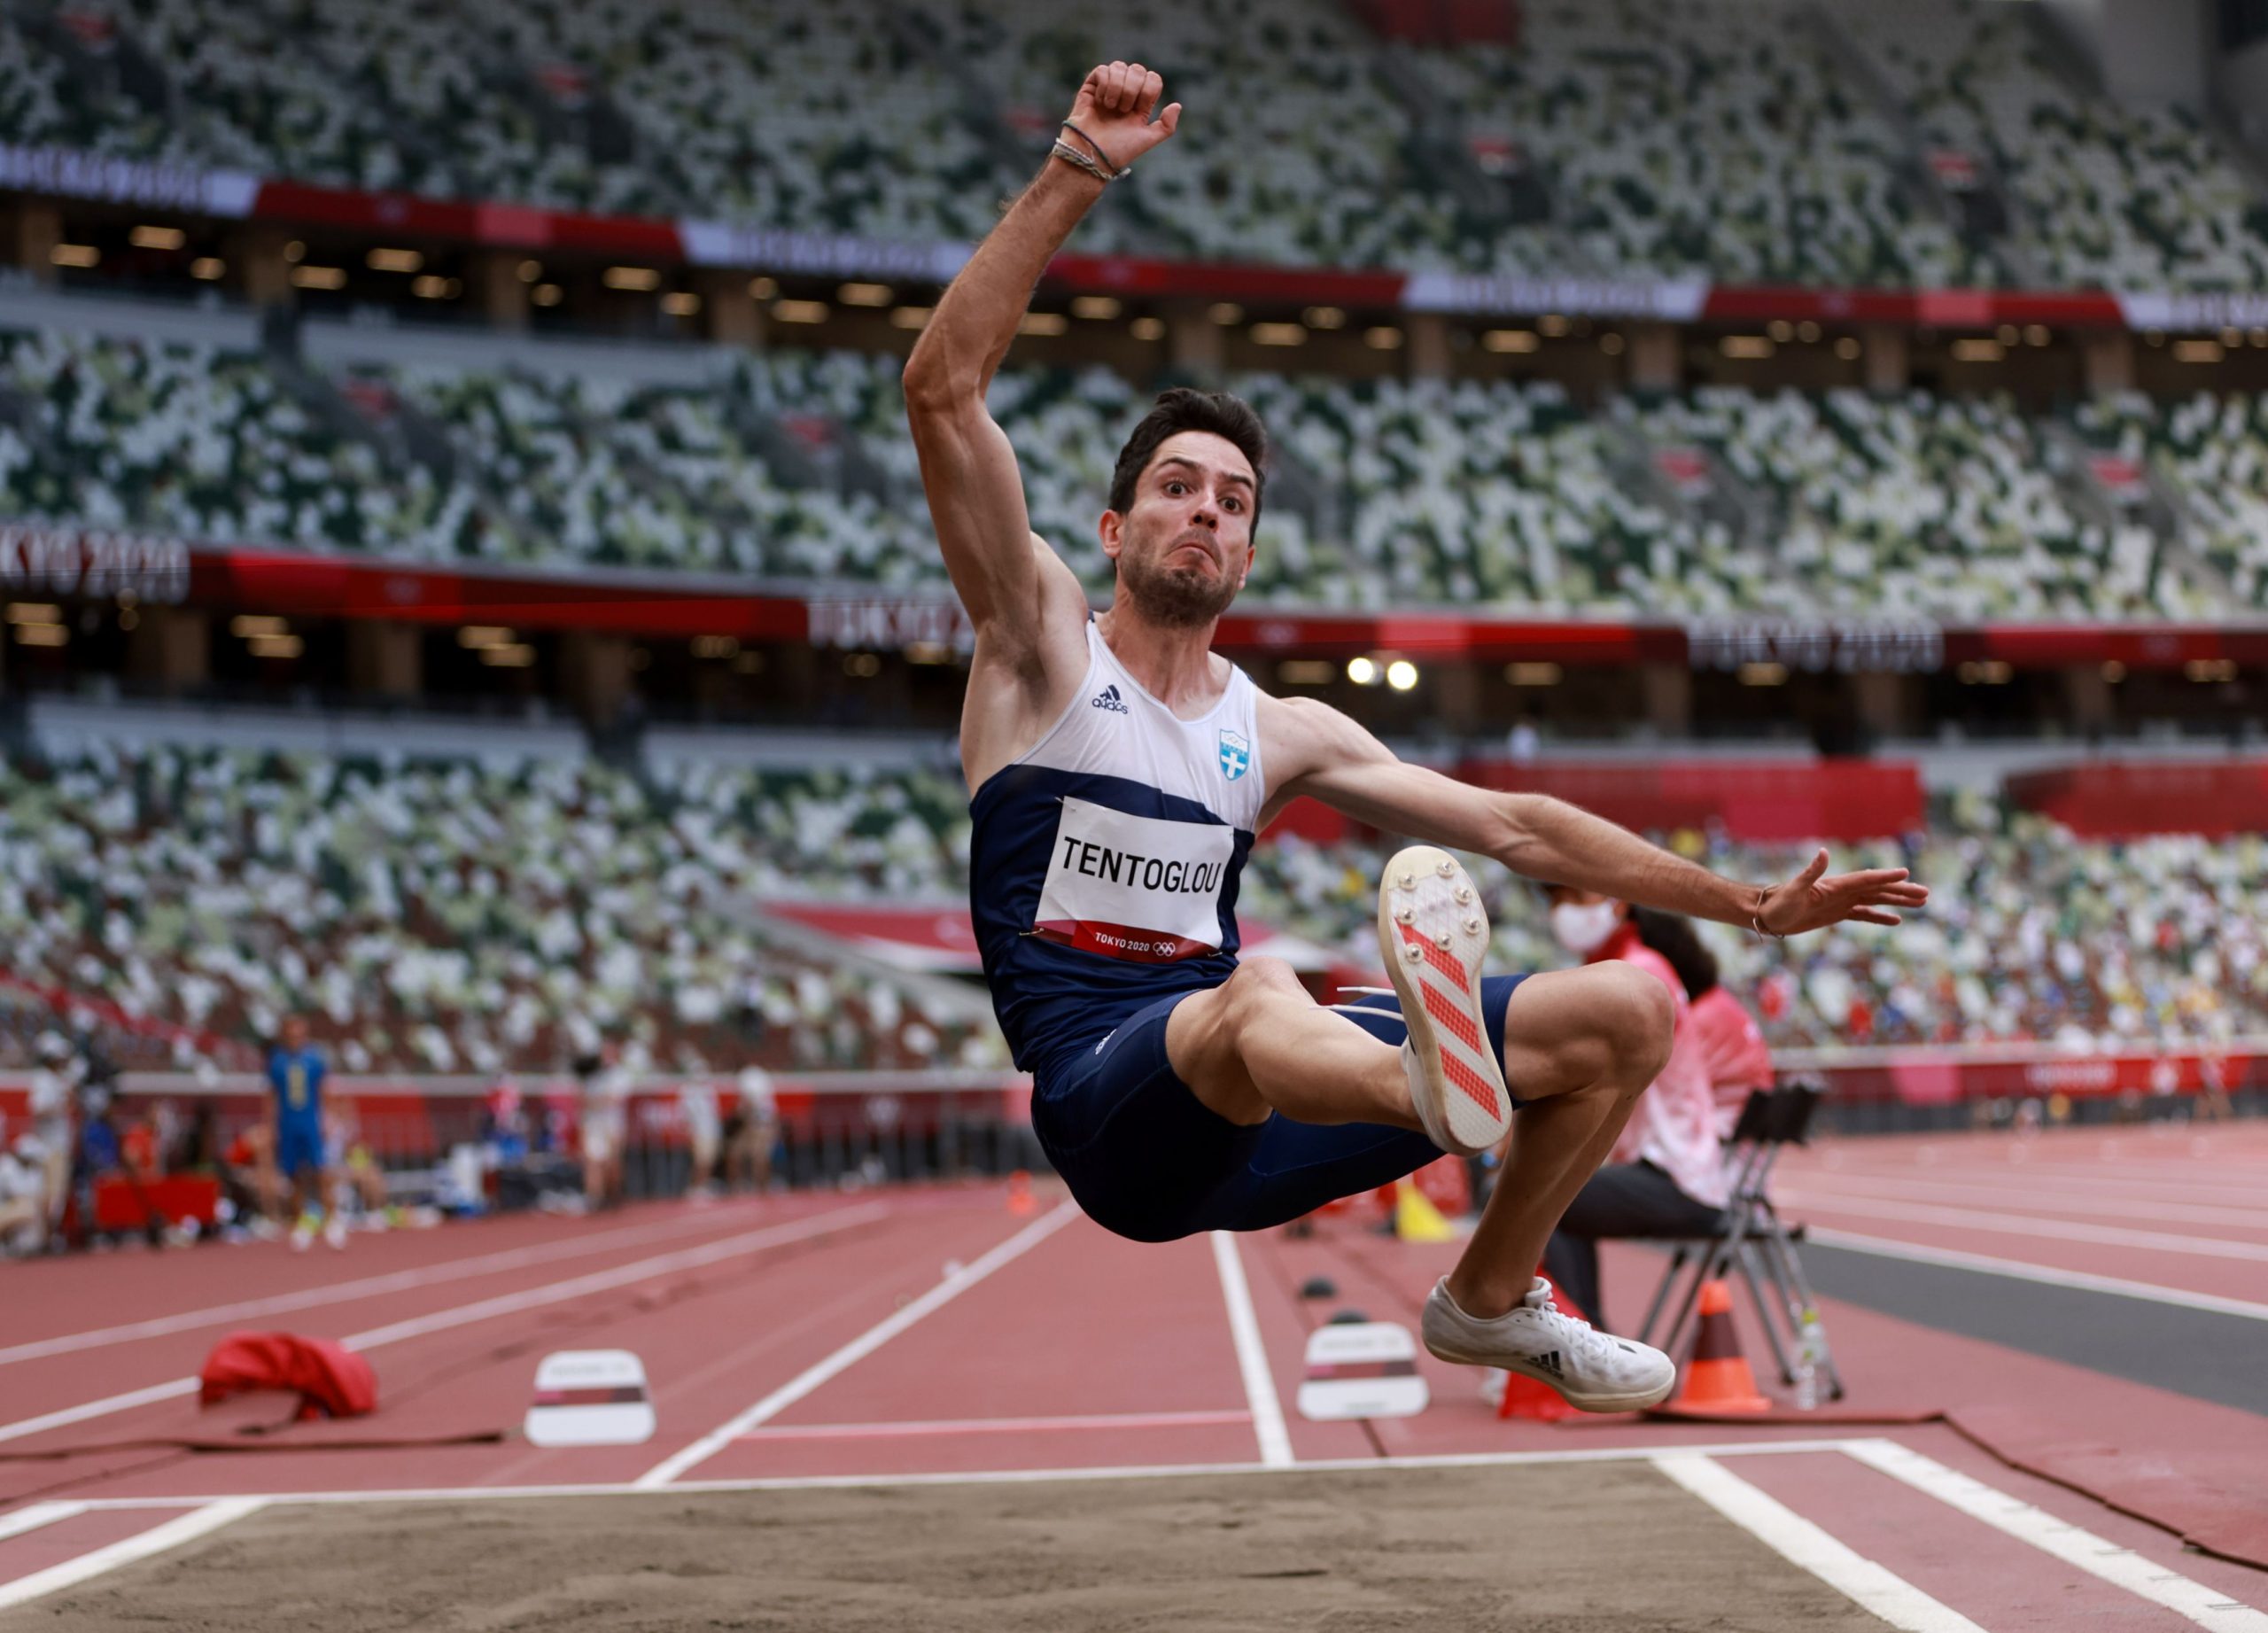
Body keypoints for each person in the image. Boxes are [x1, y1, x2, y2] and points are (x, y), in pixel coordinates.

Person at [902, 59, 1927, 1413]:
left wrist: (1739, 900)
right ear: (1113, 530)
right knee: (1262, 987)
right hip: (1113, 1107)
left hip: (1275, 1119)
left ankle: (1488, 1297)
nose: (1204, 511)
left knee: (1630, 1012)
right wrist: (1080, 167)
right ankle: (1433, 1088)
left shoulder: (1279, 730)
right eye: (1174, 489)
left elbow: (1519, 828)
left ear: (1251, 554)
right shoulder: (1039, 648)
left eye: (1231, 499)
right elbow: (943, 389)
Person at [1538, 897, 1732, 1333]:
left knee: (1544, 1195)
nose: (1559, 908)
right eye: (1552, 898)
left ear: (1619, 905)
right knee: (1553, 1189)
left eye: (1569, 893)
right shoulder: (1634, 966)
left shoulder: (1636, 973)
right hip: (1681, 1172)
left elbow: (1582, 1074)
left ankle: (1580, 1338)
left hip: (1679, 1179)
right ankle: (1581, 1333)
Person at [268, 1016, 344, 1250]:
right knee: (294, 1176)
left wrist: (328, 1121)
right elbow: (271, 1096)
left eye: (299, 1034)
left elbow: (325, 1090)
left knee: (322, 1172)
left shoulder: (314, 1059)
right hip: (288, 1124)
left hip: (310, 1122)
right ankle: (302, 1224)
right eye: (291, 1034)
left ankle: (332, 1221)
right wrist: (271, 1126)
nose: (295, 1039)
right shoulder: (277, 1061)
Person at [727, 1065, 779, 1194]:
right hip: (751, 1128)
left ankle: (762, 1188)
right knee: (735, 1154)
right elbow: (741, 1115)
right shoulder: (752, 1098)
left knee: (759, 1158)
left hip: (761, 1129)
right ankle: (738, 1186)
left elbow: (770, 1117)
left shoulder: (764, 1099)